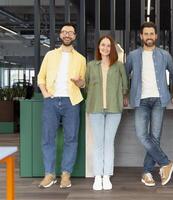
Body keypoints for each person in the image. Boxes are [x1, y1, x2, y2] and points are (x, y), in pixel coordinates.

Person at [125, 22, 173, 187]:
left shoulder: (165, 55)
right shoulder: (133, 55)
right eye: (146, 34)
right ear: (141, 36)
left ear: (156, 36)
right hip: (140, 100)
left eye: (152, 34)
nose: (149, 36)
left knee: (155, 138)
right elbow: (124, 75)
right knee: (143, 135)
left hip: (159, 100)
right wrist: (125, 94)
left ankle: (147, 172)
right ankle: (165, 162)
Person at [37, 22, 86, 188]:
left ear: (75, 36)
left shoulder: (81, 59)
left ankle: (66, 175)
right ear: (60, 35)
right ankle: (49, 174)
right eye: (64, 32)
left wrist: (80, 82)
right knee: (47, 138)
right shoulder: (50, 55)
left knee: (71, 139)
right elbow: (40, 77)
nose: (67, 35)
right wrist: (45, 94)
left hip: (71, 102)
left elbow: (82, 83)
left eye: (70, 33)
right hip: (51, 101)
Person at [85, 35, 128, 190]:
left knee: (109, 142)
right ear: (98, 47)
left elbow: (125, 85)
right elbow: (86, 85)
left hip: (114, 109)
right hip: (95, 108)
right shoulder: (91, 66)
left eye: (108, 45)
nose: (105, 48)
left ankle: (106, 176)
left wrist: (123, 96)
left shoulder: (119, 66)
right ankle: (97, 176)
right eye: (103, 45)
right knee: (98, 143)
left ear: (112, 48)